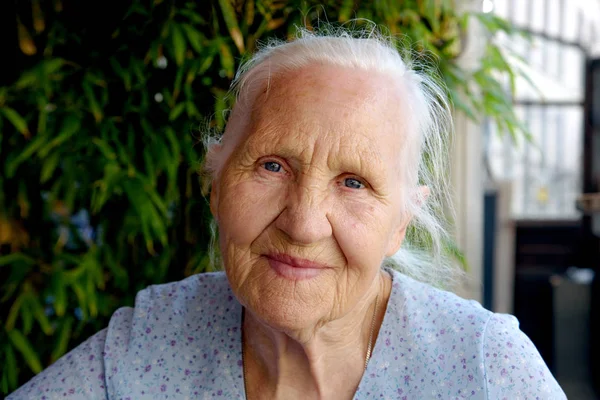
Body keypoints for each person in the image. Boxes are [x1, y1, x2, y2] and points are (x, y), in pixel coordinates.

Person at [8, 26, 566, 400]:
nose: (302, 223)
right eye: (273, 166)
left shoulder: (485, 368)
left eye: (354, 182)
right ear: (215, 182)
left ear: (400, 221)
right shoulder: (149, 344)